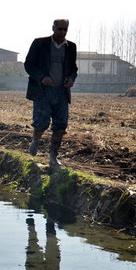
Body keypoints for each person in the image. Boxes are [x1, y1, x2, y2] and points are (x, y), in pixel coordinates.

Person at [24, 19, 78, 169]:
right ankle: (36, 139)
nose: (62, 32)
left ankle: (53, 156)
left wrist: (71, 79)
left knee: (61, 125)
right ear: (53, 28)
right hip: (43, 91)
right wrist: (42, 77)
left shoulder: (71, 47)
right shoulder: (39, 44)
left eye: (65, 29)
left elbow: (74, 69)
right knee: (41, 122)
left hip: (61, 91)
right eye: (59, 29)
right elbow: (28, 65)